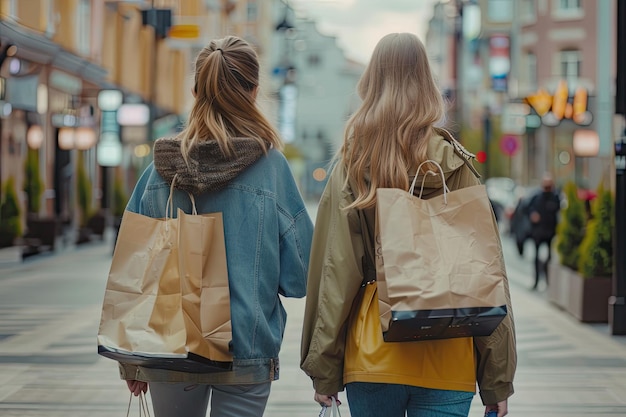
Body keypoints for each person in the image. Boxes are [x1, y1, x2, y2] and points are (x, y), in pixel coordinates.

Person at [300, 33, 516, 417]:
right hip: (450, 353)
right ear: (427, 83)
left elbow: (337, 271)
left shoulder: (351, 165)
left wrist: (325, 368)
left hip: (373, 352)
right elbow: (486, 271)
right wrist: (496, 379)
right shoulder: (456, 166)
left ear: (371, 82)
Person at [119, 35, 314, 417]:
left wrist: (133, 361)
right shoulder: (271, 170)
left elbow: (132, 271)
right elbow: (300, 277)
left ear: (195, 90)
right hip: (246, 349)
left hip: (170, 346)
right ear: (254, 91)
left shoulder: (158, 170)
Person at [528, 173, 561, 290]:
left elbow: (558, 210)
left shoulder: (555, 197)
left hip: (550, 232)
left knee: (549, 257)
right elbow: (528, 208)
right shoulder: (537, 197)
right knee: (536, 257)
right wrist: (533, 215)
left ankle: (548, 281)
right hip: (538, 232)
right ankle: (536, 281)